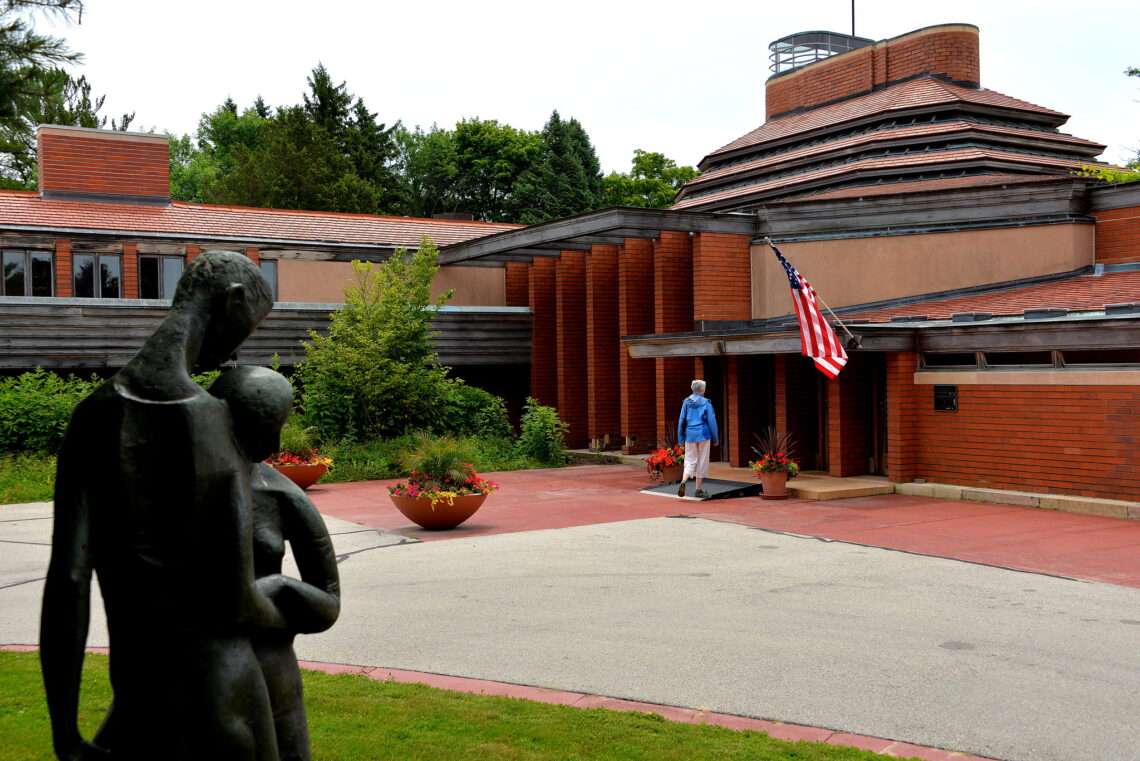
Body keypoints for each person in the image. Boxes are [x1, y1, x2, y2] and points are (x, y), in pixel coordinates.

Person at [41, 251, 287, 761]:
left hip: (141, 704)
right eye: (247, 327)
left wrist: (64, 731)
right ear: (233, 301)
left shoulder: (95, 415)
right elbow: (236, 597)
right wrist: (292, 602)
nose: (239, 347)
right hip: (226, 692)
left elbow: (68, 580)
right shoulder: (213, 423)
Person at [208, 367, 341, 761]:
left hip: (271, 670)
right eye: (263, 425)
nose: (274, 441)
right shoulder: (175, 487)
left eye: (278, 425)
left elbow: (328, 604)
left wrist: (277, 588)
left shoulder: (282, 495)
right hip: (192, 668)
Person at [676, 379, 719, 499]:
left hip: (690, 435)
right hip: (704, 434)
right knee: (702, 461)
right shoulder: (706, 403)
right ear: (702, 389)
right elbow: (711, 421)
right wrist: (715, 438)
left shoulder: (686, 402)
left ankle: (683, 482)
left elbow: (681, 420)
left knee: (690, 460)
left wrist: (680, 439)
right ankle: (698, 489)